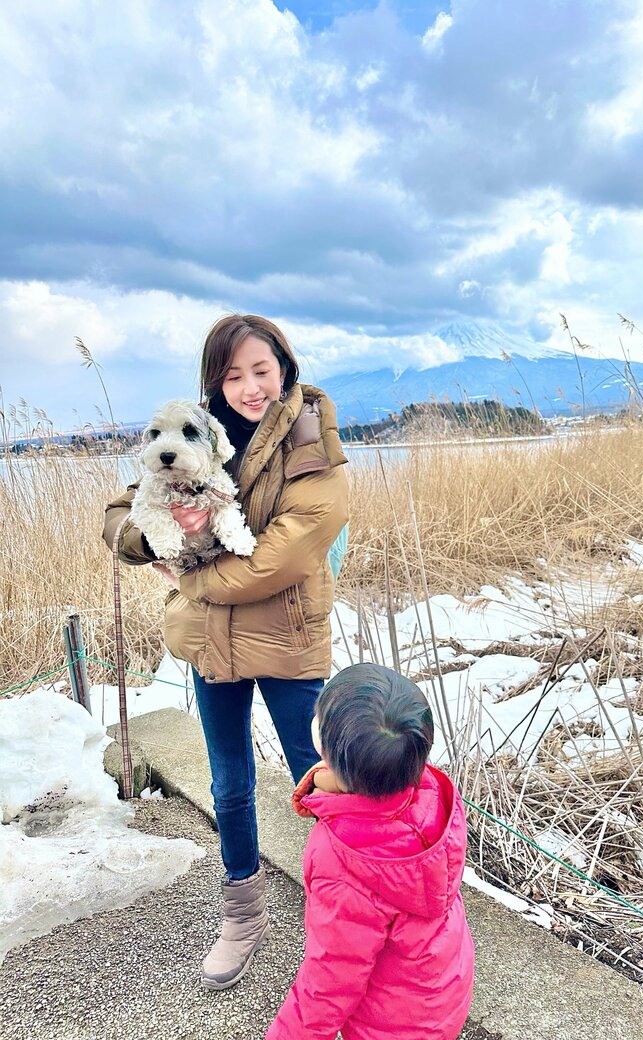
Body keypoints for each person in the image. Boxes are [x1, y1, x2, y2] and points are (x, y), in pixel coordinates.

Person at [102, 314, 349, 991]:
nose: (249, 387)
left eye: (261, 370)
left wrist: (189, 578)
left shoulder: (311, 436)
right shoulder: (192, 435)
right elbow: (119, 515)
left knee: (321, 779)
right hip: (214, 642)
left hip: (288, 635)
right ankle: (242, 913)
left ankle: (345, 913)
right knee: (229, 783)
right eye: (233, 375)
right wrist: (153, 537)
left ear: (285, 368)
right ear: (215, 382)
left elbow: (286, 555)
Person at [266, 663, 475, 1040]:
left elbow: (330, 978)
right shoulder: (428, 795)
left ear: (330, 750)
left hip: (389, 1024)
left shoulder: (343, 859)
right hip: (441, 990)